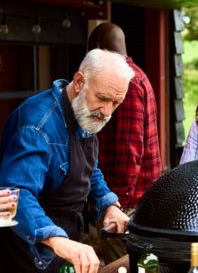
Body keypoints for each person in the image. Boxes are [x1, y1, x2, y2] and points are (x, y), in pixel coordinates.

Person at [0, 49, 134, 273]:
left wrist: (108, 204)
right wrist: (56, 240)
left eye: (116, 103)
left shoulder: (85, 110)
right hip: (29, 252)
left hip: (67, 243)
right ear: (79, 82)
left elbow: (88, 169)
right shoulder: (37, 127)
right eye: (102, 99)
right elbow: (14, 196)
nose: (107, 111)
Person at [86, 23, 162, 263]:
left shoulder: (121, 83)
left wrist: (116, 204)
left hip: (127, 202)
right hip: (139, 198)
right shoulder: (137, 74)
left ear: (98, 49)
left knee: (122, 264)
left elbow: (130, 152)